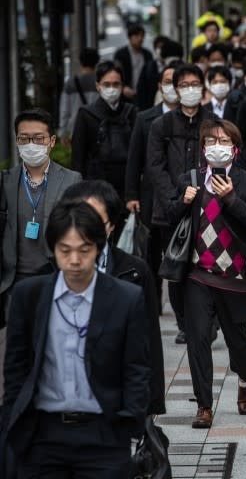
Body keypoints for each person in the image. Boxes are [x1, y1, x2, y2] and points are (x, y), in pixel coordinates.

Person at [2, 201, 150, 477]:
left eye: (84, 250)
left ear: (98, 248)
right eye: (64, 250)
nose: (74, 261)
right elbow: (16, 368)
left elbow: (136, 367)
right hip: (43, 434)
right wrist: (15, 423)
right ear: (53, 249)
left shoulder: (125, 298)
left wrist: (129, 424)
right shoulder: (28, 296)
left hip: (103, 434)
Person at [166, 118, 246, 429]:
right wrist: (181, 202)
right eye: (211, 141)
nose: (217, 147)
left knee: (237, 339)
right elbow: (168, 216)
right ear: (203, 148)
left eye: (224, 142)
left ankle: (245, 379)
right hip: (198, 274)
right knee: (197, 338)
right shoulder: (191, 179)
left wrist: (231, 199)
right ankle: (204, 405)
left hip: (234, 277)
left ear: (235, 149)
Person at [59, 180, 166, 418]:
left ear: (111, 226)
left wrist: (150, 405)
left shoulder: (135, 271)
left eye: (94, 221)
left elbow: (149, 342)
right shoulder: (48, 274)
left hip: (117, 397)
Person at [147, 63, 214, 344]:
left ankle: (210, 322)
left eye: (194, 85)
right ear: (175, 89)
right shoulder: (161, 125)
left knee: (209, 264)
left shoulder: (212, 123)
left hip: (208, 206)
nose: (189, 90)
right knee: (176, 266)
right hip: (170, 210)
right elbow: (155, 166)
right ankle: (184, 323)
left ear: (203, 88)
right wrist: (175, 198)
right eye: (184, 85)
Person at [1, 109, 82, 313]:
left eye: (38, 138)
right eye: (24, 138)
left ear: (51, 141)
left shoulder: (71, 180)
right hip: (13, 283)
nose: (31, 144)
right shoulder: (5, 181)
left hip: (55, 277)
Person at [125, 62, 181, 304]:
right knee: (150, 252)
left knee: (179, 253)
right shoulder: (144, 118)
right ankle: (152, 300)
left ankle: (182, 313)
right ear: (160, 85)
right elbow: (134, 160)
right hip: (150, 197)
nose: (171, 87)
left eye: (175, 82)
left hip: (180, 196)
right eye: (167, 81)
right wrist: (131, 195)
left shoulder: (193, 119)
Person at [71, 61, 137, 198]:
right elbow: (78, 158)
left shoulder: (132, 113)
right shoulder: (86, 114)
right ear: (98, 86)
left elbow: (138, 154)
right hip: (95, 185)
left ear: (122, 85)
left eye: (116, 84)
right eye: (106, 84)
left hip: (126, 185)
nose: (111, 89)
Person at [58, 47, 100, 137]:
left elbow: (64, 110)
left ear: (81, 63)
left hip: (75, 128)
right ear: (97, 63)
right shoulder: (101, 83)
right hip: (97, 128)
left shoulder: (71, 83)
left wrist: (63, 132)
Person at [113, 24, 154, 102]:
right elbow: (116, 73)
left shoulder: (148, 54)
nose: (140, 38)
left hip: (144, 95)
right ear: (130, 37)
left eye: (142, 36)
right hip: (125, 94)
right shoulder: (120, 54)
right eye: (136, 36)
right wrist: (123, 87)